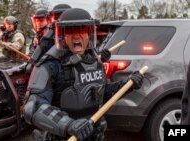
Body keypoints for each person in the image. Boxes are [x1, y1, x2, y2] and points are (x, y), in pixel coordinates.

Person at [23, 8, 144, 141]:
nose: (76, 36)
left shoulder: (95, 61)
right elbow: (33, 107)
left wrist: (127, 84)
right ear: (63, 36)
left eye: (81, 30)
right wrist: (68, 124)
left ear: (89, 34)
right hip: (65, 137)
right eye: (70, 31)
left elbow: (101, 93)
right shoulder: (50, 65)